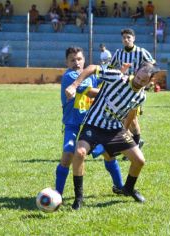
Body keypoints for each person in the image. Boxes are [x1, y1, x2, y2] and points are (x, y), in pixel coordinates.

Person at [65, 62, 160, 210]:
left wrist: (125, 131)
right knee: (79, 153)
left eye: (143, 81)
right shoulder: (117, 77)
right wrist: (74, 85)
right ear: (136, 72)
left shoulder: (141, 96)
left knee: (140, 160)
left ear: (149, 82)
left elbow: (131, 114)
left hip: (115, 130)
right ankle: (79, 197)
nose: (138, 81)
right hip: (94, 125)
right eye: (138, 77)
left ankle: (128, 188)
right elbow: (91, 68)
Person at [56, 46, 124, 197]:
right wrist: (116, 93)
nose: (76, 62)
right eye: (72, 60)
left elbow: (106, 77)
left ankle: (120, 187)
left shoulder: (91, 75)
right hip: (72, 125)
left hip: (91, 125)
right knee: (67, 155)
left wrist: (121, 76)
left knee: (108, 154)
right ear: (66, 62)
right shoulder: (70, 76)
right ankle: (57, 194)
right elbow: (92, 93)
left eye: (79, 59)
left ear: (84, 60)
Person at [110, 28, 155, 159]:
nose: (126, 39)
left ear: (134, 38)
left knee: (132, 119)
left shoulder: (141, 52)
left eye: (129, 37)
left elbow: (152, 65)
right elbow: (111, 68)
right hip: (122, 89)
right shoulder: (118, 53)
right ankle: (135, 143)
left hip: (136, 89)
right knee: (122, 118)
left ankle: (134, 146)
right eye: (124, 37)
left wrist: (148, 80)